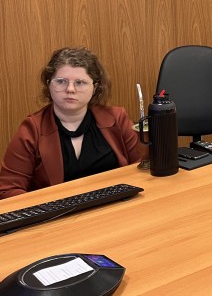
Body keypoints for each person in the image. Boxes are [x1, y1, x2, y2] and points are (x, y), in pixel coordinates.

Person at [0, 47, 140, 199]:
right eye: (61, 81)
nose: (70, 89)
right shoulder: (31, 130)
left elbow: (141, 169)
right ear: (49, 84)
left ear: (95, 87)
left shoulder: (117, 119)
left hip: (117, 209)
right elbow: (8, 190)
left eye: (80, 82)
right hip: (57, 217)